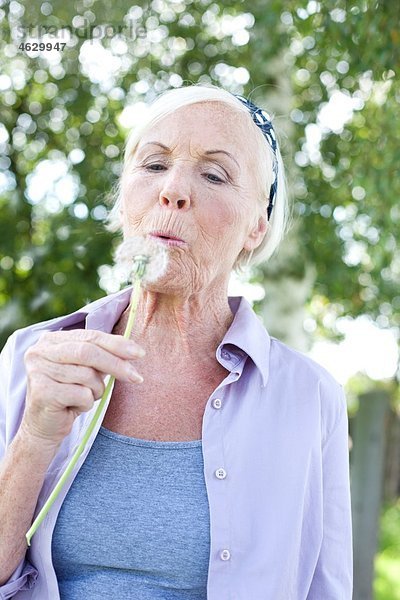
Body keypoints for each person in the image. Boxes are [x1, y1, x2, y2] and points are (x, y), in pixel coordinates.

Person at [0, 83, 353, 599]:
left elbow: (327, 589)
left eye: (214, 174)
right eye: (153, 165)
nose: (173, 190)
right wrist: (34, 437)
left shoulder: (309, 396)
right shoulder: (33, 358)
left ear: (257, 226)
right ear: (125, 198)